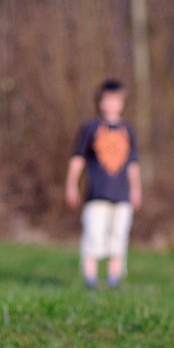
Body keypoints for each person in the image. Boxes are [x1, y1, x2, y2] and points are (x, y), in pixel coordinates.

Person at [65, 79, 142, 289]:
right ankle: (90, 280)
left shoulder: (128, 130)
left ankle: (113, 280)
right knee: (93, 235)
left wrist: (136, 189)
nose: (111, 105)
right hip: (96, 194)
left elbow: (132, 163)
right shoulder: (89, 128)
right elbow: (77, 158)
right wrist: (71, 185)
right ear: (99, 102)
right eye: (107, 100)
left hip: (122, 195)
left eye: (115, 100)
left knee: (118, 238)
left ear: (122, 103)